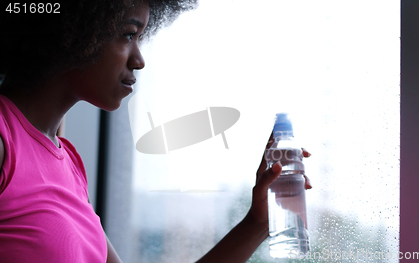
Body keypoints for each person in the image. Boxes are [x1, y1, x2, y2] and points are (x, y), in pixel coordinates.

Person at [0, 0, 312, 262]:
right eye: (127, 35)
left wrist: (257, 222)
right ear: (74, 30)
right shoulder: (5, 140)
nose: (139, 60)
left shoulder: (67, 162)